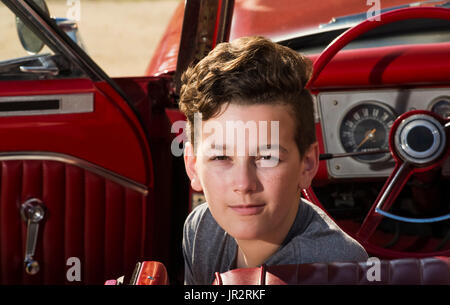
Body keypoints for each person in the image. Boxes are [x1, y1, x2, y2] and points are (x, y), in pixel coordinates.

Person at [179, 36, 368, 285]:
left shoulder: (340, 266)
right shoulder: (201, 227)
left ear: (307, 164)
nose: (244, 183)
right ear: (193, 165)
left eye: (267, 157)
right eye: (221, 157)